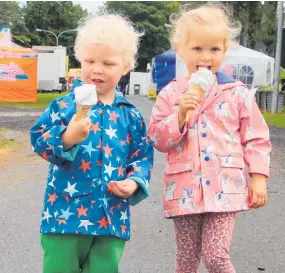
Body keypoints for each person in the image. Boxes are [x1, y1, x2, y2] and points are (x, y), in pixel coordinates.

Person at [148, 4, 271, 273]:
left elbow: (256, 137)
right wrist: (179, 115)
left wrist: (259, 177)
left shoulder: (236, 93)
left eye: (214, 49)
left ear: (224, 50)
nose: (206, 56)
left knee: (216, 256)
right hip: (184, 190)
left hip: (225, 188)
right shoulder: (170, 94)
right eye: (197, 49)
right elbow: (157, 139)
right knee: (186, 260)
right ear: (179, 48)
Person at [30, 13, 153, 273]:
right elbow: (38, 139)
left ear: (126, 66)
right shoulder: (63, 106)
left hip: (111, 218)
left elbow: (141, 155)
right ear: (80, 59)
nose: (97, 69)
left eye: (108, 63)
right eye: (90, 61)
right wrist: (66, 137)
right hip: (65, 216)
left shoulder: (129, 114)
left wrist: (134, 181)